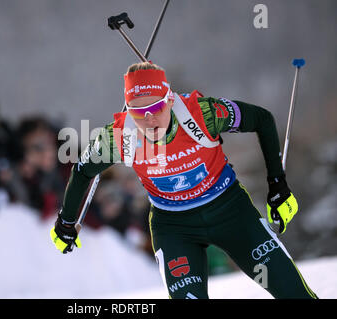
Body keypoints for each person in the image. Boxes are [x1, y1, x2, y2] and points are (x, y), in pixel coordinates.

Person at [50, 62, 317, 299]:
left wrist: (277, 185)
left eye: (155, 107)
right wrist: (66, 221)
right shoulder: (119, 138)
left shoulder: (203, 114)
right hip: (175, 228)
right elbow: (84, 168)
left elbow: (261, 119)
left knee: (293, 293)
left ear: (169, 100)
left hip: (231, 213)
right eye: (138, 111)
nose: (149, 118)